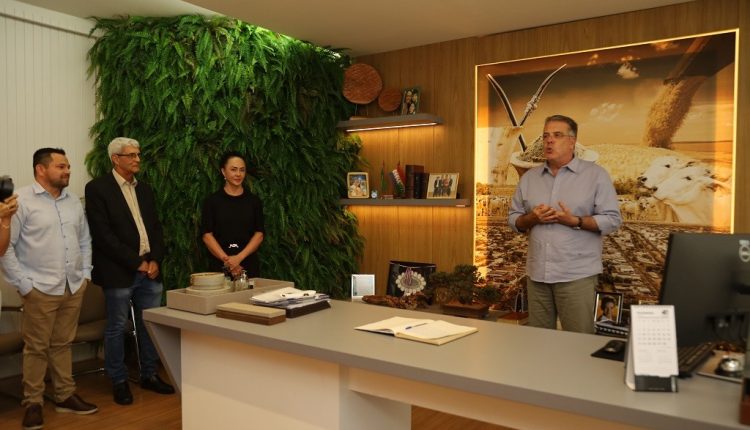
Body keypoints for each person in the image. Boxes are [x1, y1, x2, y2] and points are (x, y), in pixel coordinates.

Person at [0, 148, 98, 429]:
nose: (67, 171)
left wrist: (85, 274)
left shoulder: (73, 201)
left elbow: (84, 240)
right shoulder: (20, 201)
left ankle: (65, 395)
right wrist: (24, 285)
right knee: (36, 348)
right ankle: (33, 402)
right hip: (39, 289)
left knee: (62, 344)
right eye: (61, 166)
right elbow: (6, 249)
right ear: (40, 169)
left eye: (68, 166)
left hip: (72, 286)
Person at [508, 115, 622, 334]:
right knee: (539, 341)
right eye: (545, 136)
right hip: (537, 276)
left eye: (557, 135)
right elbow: (514, 219)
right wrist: (532, 218)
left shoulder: (596, 175)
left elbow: (612, 220)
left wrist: (575, 221)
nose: (549, 141)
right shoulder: (529, 178)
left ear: (572, 141)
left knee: (578, 342)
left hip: (576, 276)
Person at [85, 137, 174, 406]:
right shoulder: (97, 188)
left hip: (149, 270)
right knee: (116, 327)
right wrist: (136, 262)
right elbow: (103, 235)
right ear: (115, 159)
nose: (137, 159)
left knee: (150, 325)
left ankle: (149, 374)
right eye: (131, 155)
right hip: (119, 271)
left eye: (138, 154)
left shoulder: (144, 189)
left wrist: (155, 259)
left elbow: (156, 228)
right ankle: (119, 380)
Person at [201, 151, 265, 278]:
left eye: (242, 170)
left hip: (249, 266)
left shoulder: (254, 201)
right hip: (219, 268)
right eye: (233, 169)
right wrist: (228, 261)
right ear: (223, 172)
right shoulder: (212, 201)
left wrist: (238, 258)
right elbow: (207, 235)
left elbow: (259, 234)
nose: (238, 174)